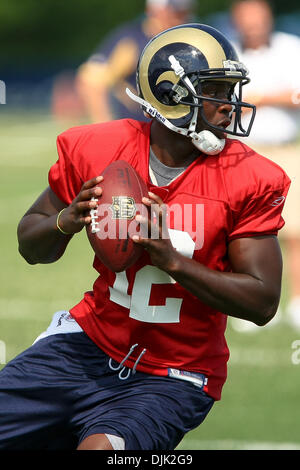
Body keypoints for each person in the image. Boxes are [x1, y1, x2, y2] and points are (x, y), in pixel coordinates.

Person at [0, 23, 290, 450]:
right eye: (216, 90)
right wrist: (67, 219)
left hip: (175, 372)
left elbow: (263, 302)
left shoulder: (248, 177)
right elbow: (30, 245)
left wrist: (172, 260)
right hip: (89, 342)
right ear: (172, 95)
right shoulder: (100, 149)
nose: (230, 105)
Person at [229, 0, 300, 330]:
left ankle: (297, 302)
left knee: (295, 232)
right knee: (239, 232)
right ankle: (242, 300)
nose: (254, 25)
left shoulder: (290, 48)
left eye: (259, 18)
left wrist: (261, 98)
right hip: (243, 153)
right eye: (248, 19)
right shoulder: (227, 52)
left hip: (286, 149)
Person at [73, 0, 196, 123]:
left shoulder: (186, 39)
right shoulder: (133, 41)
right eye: (176, 13)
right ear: (154, 11)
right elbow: (91, 82)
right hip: (139, 130)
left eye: (183, 13)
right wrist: (106, 128)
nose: (180, 19)